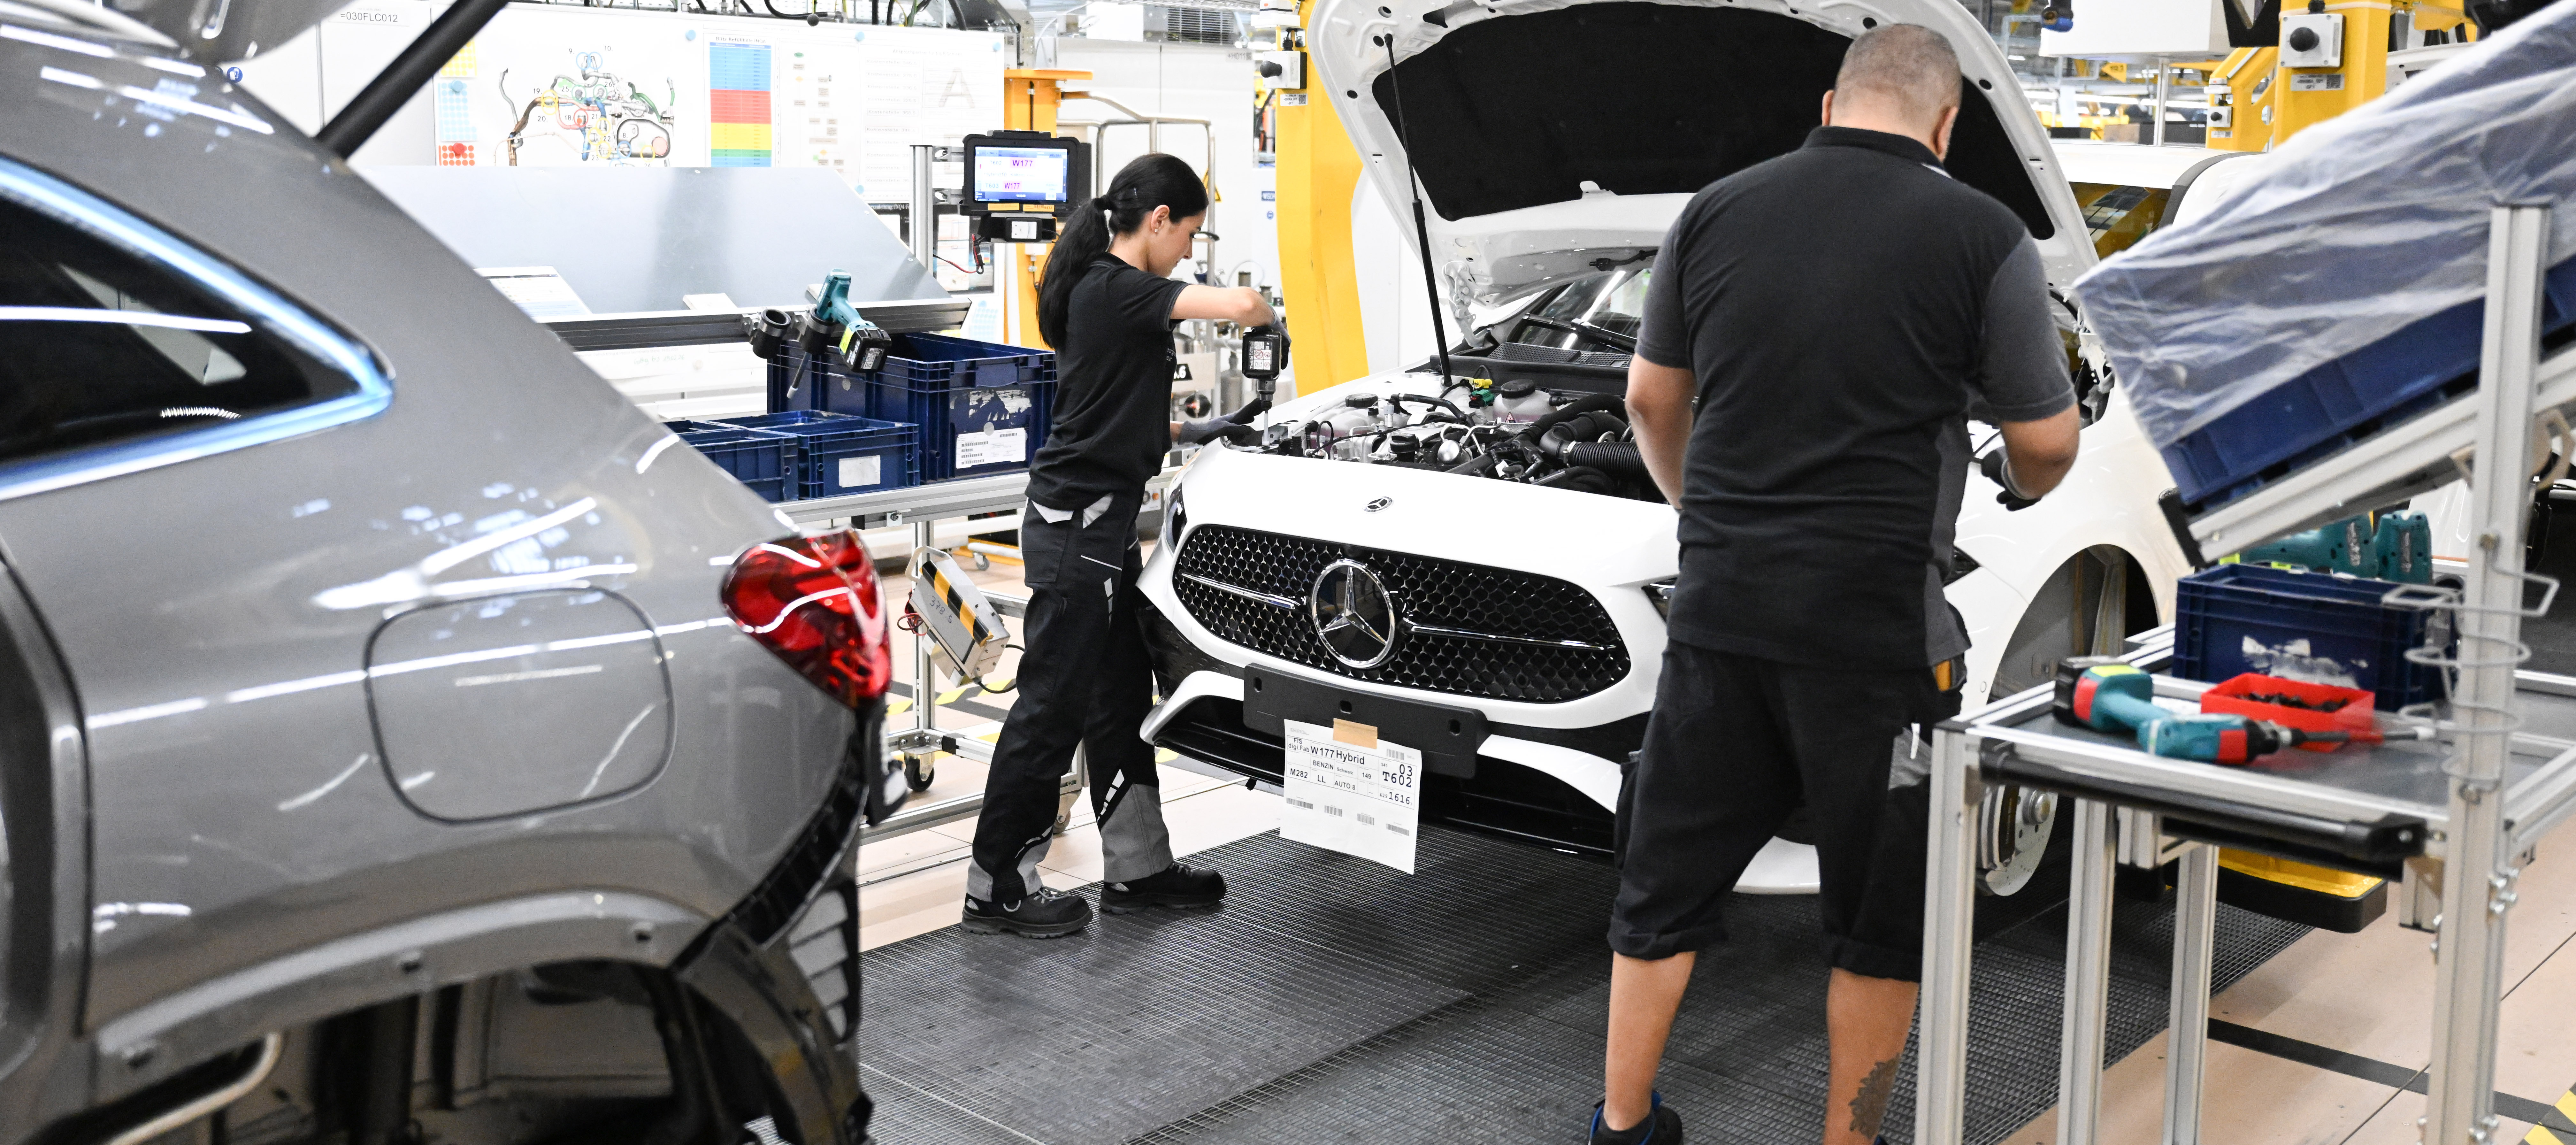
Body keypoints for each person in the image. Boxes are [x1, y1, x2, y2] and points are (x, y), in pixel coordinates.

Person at [1592, 24, 2083, 1145]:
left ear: (1828, 105)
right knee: (1875, 921)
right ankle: (1845, 1138)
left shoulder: (1714, 210)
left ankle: (1622, 1122)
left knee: (1661, 889)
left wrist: (1697, 513)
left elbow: (1647, 403)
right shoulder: (1983, 234)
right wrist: (2021, 476)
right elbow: (2046, 439)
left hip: (1718, 612)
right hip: (1875, 640)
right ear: (1947, 124)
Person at [961, 153, 1281, 939]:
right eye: (1189, 237)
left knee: (1118, 699)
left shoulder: (1106, 294)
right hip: (1079, 530)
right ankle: (995, 883)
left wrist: (1192, 430)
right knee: (1053, 704)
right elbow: (1240, 303)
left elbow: (1107, 407)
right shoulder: (1117, 287)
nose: (1188, 256)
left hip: (1097, 523)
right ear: (1161, 221)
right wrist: (1265, 310)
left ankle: (1138, 868)